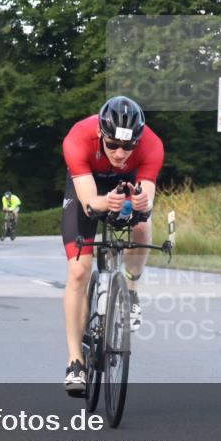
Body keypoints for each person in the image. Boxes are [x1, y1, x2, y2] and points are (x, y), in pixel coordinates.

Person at [60, 96, 164, 393]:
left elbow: (147, 199)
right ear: (100, 134)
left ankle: (130, 291)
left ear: (138, 141)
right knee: (79, 271)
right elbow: (90, 204)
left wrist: (140, 203)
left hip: (127, 185)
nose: (120, 153)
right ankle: (75, 361)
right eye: (113, 145)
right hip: (89, 187)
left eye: (128, 147)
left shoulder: (152, 145)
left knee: (142, 223)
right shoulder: (78, 138)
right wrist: (107, 202)